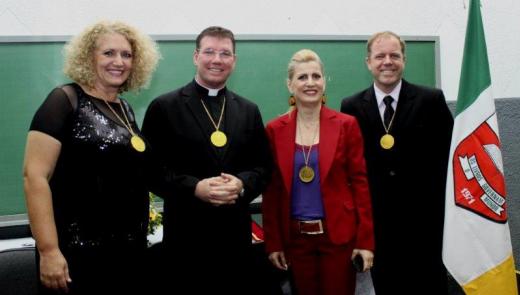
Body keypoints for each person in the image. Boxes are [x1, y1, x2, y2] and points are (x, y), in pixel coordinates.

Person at [23, 20, 160, 294]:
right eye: (108, 53)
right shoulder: (64, 100)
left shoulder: (126, 109)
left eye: (127, 55)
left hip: (126, 249)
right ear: (88, 57)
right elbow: (34, 177)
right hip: (76, 253)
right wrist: (49, 250)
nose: (118, 61)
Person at [141, 26, 272, 294]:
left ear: (234, 61)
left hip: (235, 239)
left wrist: (241, 184)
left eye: (225, 53)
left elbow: (263, 167)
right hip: (186, 239)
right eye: (209, 52)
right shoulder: (164, 107)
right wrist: (194, 188)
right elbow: (150, 171)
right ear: (195, 56)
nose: (217, 59)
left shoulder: (248, 110)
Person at [341, 31, 454, 295]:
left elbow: (448, 159)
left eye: (394, 55)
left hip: (425, 227)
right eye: (380, 56)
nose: (387, 62)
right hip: (378, 228)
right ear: (368, 62)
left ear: (404, 60)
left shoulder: (431, 100)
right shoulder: (352, 106)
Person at [262, 49, 375, 295]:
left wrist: (365, 242)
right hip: (295, 240)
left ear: (325, 81)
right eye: (302, 77)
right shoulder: (274, 130)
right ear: (289, 84)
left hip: (338, 237)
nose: (310, 83)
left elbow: (360, 184)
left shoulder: (347, 125)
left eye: (316, 76)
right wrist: (274, 243)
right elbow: (271, 191)